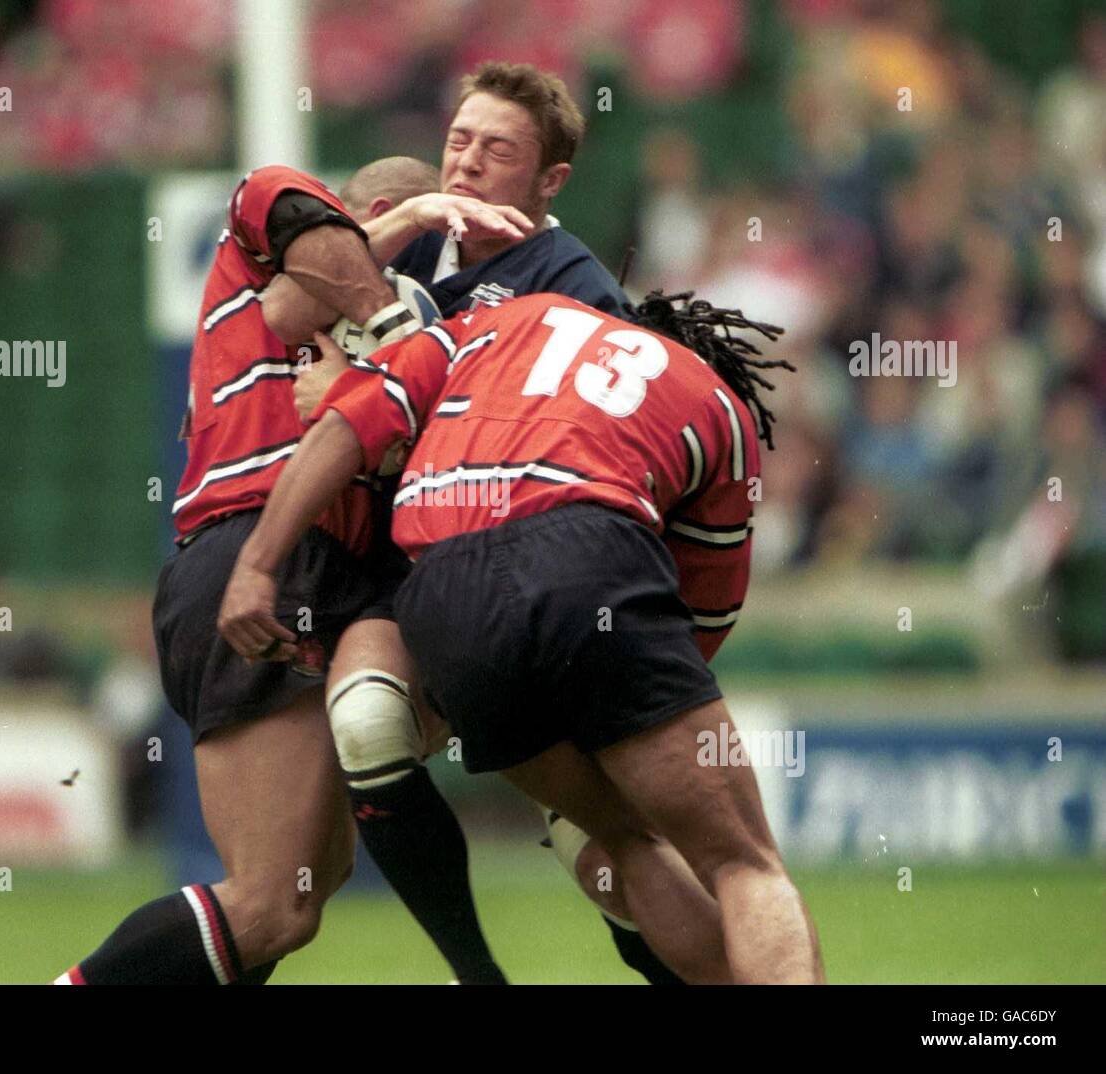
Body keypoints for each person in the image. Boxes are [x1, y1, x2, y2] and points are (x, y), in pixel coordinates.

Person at [220, 289, 825, 983]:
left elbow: (348, 423)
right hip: (588, 552)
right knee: (741, 861)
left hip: (440, 592)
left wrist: (258, 565)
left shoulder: (501, 320)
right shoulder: (717, 400)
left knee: (627, 842)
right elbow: (699, 621)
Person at [53, 158, 528, 984]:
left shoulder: (378, 348)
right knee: (272, 901)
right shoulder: (273, 231)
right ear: (376, 214)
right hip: (260, 554)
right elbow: (297, 225)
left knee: (297, 899)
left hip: (310, 573)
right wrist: (399, 283)